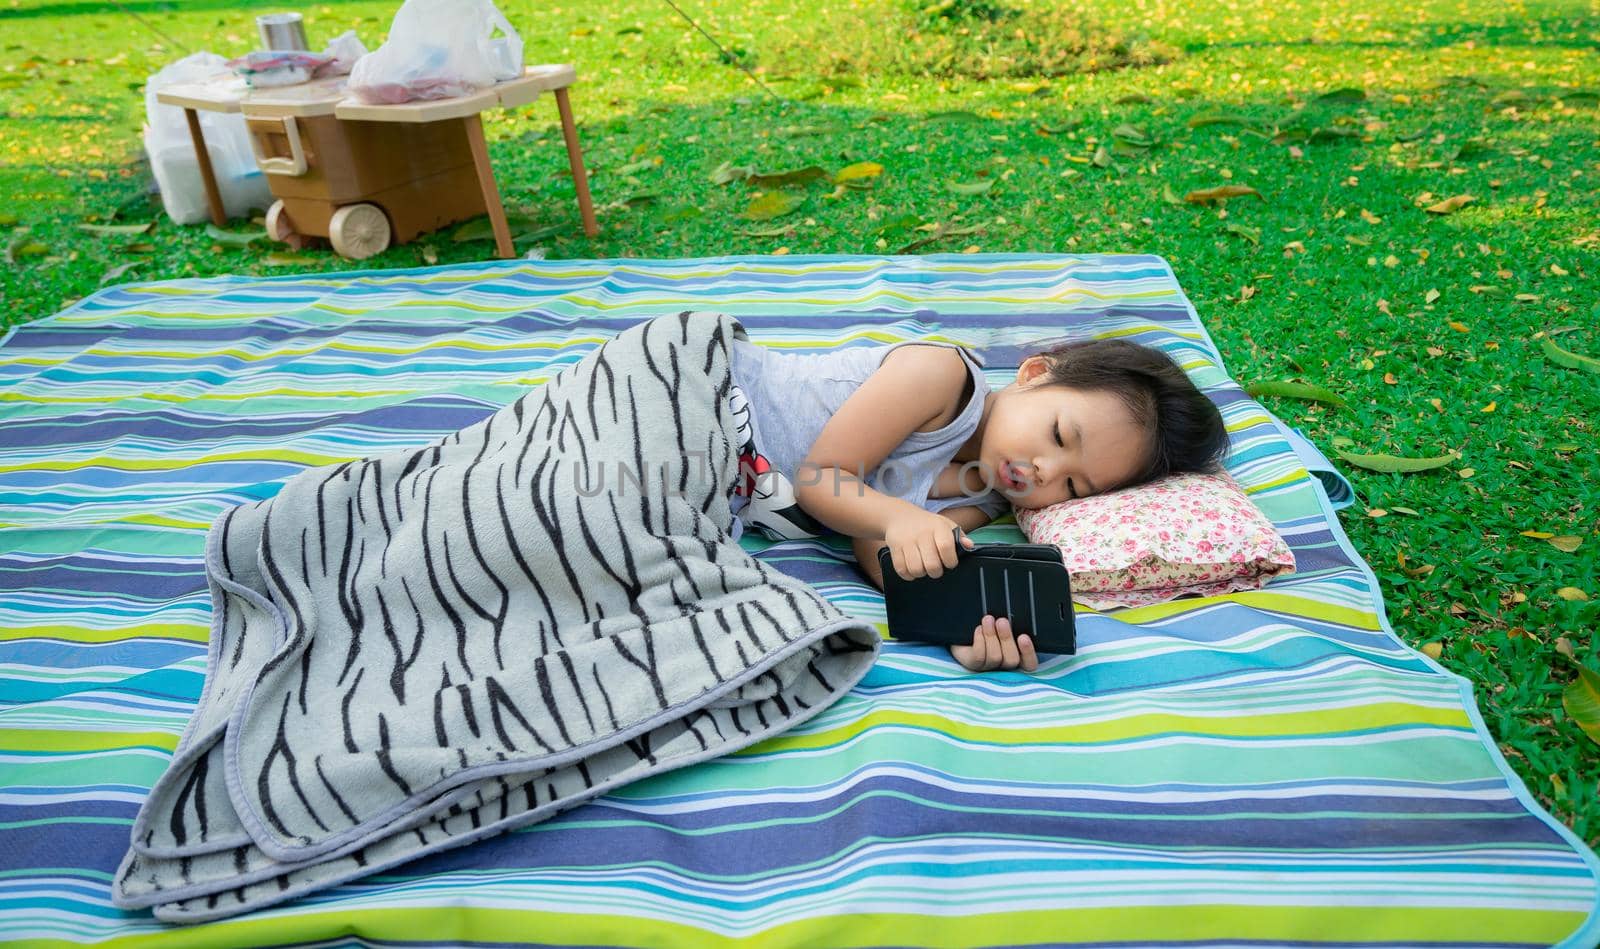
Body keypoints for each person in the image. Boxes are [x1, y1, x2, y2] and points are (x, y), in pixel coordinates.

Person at [725, 331, 1228, 673]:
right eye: (1058, 434)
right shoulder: (941, 376)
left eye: (1074, 487)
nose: (1046, 471)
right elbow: (823, 481)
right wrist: (903, 519)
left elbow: (882, 554)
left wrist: (961, 625)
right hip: (715, 393)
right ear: (1034, 374)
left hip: (721, 476)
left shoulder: (988, 496)